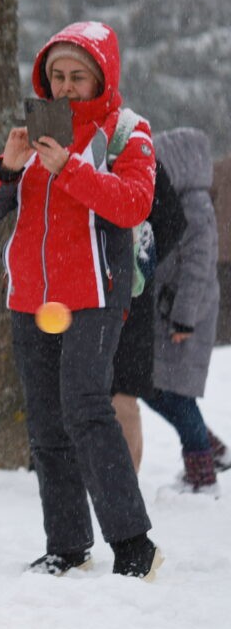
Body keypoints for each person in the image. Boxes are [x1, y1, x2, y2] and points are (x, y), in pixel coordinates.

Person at [0, 21, 162, 580]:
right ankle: (68, 544)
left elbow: (132, 204)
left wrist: (70, 168)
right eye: (58, 75)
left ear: (103, 76)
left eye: (79, 76)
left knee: (86, 410)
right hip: (30, 298)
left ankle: (134, 544)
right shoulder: (33, 133)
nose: (67, 87)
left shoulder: (128, 132)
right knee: (47, 426)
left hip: (95, 295)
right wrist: (8, 165)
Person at [145, 127, 225, 490]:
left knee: (173, 393)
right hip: (169, 313)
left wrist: (184, 319)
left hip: (183, 317)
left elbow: (197, 269)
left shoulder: (194, 206)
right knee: (159, 387)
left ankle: (202, 473)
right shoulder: (177, 200)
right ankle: (211, 448)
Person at [110, 160, 187, 471]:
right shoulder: (76, 149)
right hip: (87, 294)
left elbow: (172, 221)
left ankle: (124, 481)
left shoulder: (138, 154)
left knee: (122, 395)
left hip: (131, 298)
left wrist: (141, 258)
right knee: (93, 393)